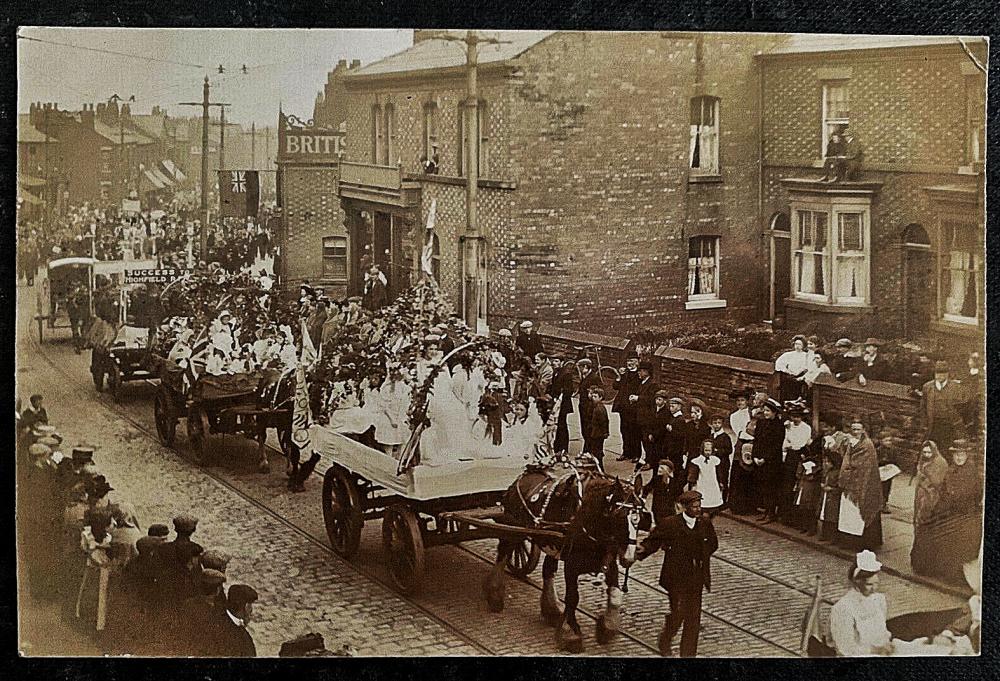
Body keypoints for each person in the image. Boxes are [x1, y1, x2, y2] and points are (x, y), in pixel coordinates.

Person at [636, 490, 719, 658]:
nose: (698, 510)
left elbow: (713, 544)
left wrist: (700, 557)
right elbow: (654, 541)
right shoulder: (671, 524)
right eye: (694, 507)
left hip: (696, 577)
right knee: (679, 613)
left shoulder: (704, 523)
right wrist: (641, 550)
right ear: (684, 507)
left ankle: (688, 656)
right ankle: (666, 639)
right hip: (676, 578)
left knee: (693, 619)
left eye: (699, 506)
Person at [829, 551, 894, 656]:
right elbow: (846, 649)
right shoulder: (842, 608)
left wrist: (888, 644)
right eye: (869, 585)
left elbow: (882, 631)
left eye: (876, 583)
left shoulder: (879, 600)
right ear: (856, 582)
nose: (874, 589)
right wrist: (874, 650)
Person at [836, 418, 883, 550]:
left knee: (859, 514)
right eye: (853, 429)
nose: (855, 431)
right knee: (848, 515)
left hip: (862, 483)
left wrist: (851, 466)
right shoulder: (850, 442)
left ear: (863, 430)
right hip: (849, 483)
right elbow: (845, 458)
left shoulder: (867, 445)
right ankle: (848, 541)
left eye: (858, 429)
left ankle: (861, 543)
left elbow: (865, 465)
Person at [920, 361, 964, 460]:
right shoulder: (927, 387)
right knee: (930, 448)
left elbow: (961, 408)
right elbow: (923, 407)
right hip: (933, 423)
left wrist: (957, 422)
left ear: (947, 374)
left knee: (946, 449)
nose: (939, 376)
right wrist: (924, 423)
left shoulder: (955, 388)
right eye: (937, 373)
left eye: (942, 373)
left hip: (949, 424)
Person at [750, 398, 784, 523]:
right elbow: (757, 441)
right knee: (763, 486)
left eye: (768, 411)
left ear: (774, 412)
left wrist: (765, 458)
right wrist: (755, 457)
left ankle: (771, 513)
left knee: (771, 487)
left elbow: (776, 445)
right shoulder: (761, 423)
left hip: (772, 462)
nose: (765, 413)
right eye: (764, 411)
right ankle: (766, 511)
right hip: (759, 459)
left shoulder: (779, 426)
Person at [202, 584, 259, 657]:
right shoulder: (243, 641)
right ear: (246, 607)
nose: (251, 611)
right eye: (250, 606)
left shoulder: (215, 618)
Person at [780, 404, 812, 522]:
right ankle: (785, 515)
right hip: (789, 456)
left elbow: (800, 443)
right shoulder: (789, 426)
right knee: (787, 484)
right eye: (793, 416)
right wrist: (788, 443)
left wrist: (791, 444)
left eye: (798, 417)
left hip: (799, 457)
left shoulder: (806, 428)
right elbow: (785, 443)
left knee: (797, 484)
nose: (795, 419)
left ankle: (796, 517)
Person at [612, 355, 642, 462]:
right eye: (628, 361)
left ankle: (636, 454)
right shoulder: (624, 373)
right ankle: (626, 452)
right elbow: (615, 386)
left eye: (633, 361)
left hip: (634, 407)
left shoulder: (640, 375)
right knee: (624, 430)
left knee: (635, 431)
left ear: (638, 361)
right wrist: (619, 377)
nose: (630, 363)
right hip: (623, 407)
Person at [686, 439, 725, 515]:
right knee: (703, 500)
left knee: (713, 501)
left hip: (712, 482)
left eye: (709, 450)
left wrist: (720, 481)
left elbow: (719, 472)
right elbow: (693, 475)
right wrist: (692, 484)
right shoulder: (697, 461)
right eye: (706, 450)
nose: (707, 452)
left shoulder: (715, 460)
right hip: (702, 483)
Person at [639, 390, 672, 471]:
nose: (657, 401)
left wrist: (654, 435)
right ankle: (649, 461)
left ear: (665, 401)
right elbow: (649, 420)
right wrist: (649, 432)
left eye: (660, 399)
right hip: (650, 432)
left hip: (659, 436)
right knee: (648, 448)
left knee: (657, 451)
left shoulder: (667, 411)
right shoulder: (653, 408)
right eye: (656, 399)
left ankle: (655, 464)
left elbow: (662, 426)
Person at [576, 358, 603, 453]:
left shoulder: (594, 378)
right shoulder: (585, 376)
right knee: (584, 429)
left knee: (589, 429)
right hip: (583, 407)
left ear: (586, 367)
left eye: (580, 367)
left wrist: (591, 396)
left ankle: (589, 449)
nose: (578, 369)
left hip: (589, 408)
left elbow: (600, 393)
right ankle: (587, 448)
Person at [774, 335, 809, 401]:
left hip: (801, 377)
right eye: (796, 344)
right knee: (786, 384)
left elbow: (808, 367)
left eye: (799, 344)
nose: (797, 346)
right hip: (789, 376)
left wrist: (801, 373)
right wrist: (787, 371)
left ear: (803, 345)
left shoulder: (806, 356)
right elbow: (779, 363)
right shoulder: (788, 355)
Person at [582, 387, 610, 465]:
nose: (593, 398)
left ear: (600, 398)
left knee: (597, 452)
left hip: (598, 434)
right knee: (596, 452)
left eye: (595, 397)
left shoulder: (599, 409)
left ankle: (599, 467)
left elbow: (604, 422)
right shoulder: (595, 406)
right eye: (593, 396)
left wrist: (605, 432)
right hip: (595, 433)